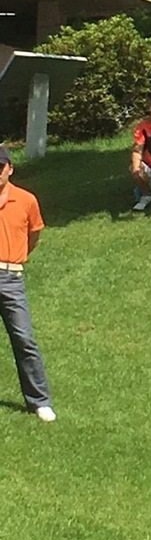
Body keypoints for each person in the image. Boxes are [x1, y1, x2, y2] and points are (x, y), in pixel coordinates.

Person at [0, 148, 56, 422]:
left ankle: (39, 401)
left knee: (24, 338)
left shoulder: (26, 200)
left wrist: (16, 258)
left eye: (0, 167)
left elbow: (34, 236)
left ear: (10, 168)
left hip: (11, 278)